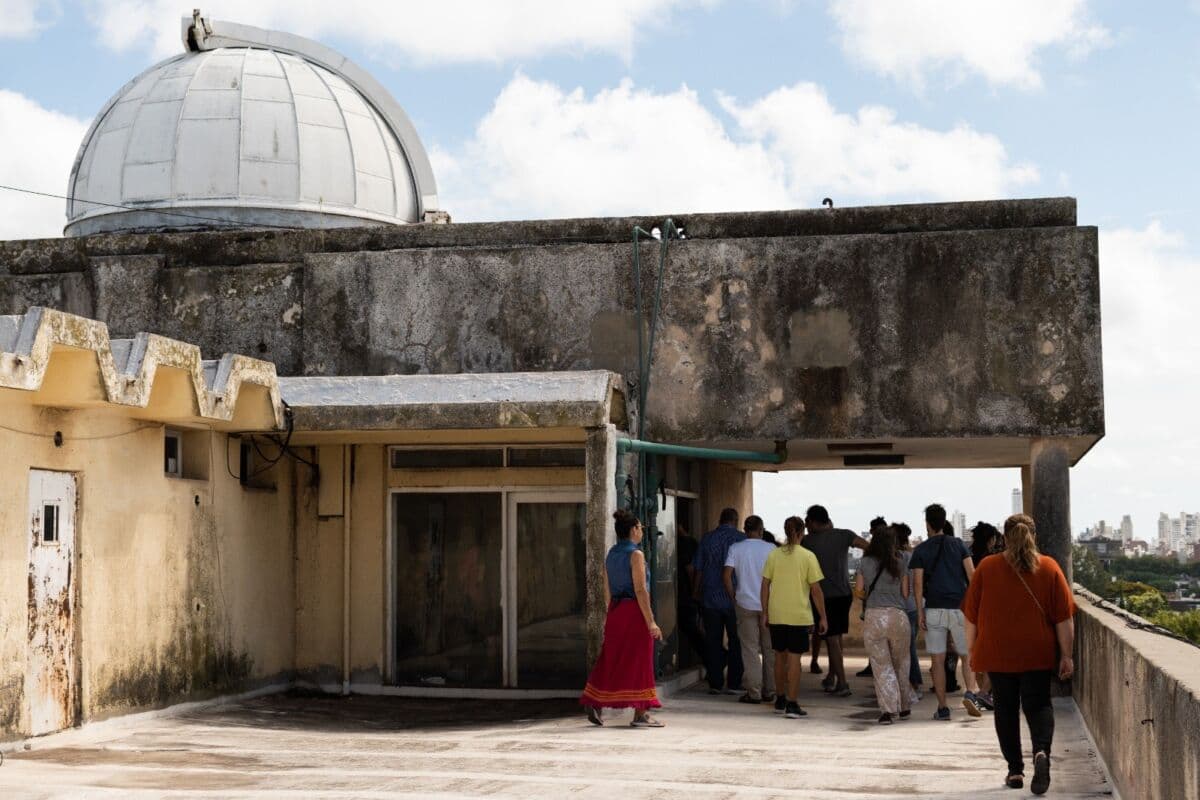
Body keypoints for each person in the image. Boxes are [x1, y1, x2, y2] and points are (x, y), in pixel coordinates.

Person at [963, 514, 1076, 794]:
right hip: (1037, 650)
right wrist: (1067, 655)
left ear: (1004, 537)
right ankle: (1041, 752)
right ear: (1033, 536)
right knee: (1038, 705)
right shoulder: (1049, 567)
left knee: (1005, 708)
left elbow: (971, 618)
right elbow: (1064, 618)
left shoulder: (987, 567)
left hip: (999, 650)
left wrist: (972, 652)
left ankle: (1015, 770)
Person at [581, 509, 665, 727]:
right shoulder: (636, 554)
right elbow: (640, 589)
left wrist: (612, 613)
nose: (642, 532)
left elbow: (606, 588)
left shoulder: (612, 554)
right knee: (640, 661)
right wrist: (651, 621)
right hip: (634, 612)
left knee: (611, 659)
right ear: (633, 530)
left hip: (616, 612)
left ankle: (594, 700)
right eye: (640, 528)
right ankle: (641, 714)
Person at [910, 503, 980, 720]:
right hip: (960, 608)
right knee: (966, 653)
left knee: (937, 661)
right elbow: (972, 576)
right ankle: (970, 692)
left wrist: (921, 612)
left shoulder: (921, 550)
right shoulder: (958, 544)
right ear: (944, 521)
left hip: (933, 609)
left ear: (928, 524)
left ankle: (942, 708)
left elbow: (918, 585)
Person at [762, 516, 827, 719]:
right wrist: (823, 616)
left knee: (779, 657)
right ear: (802, 533)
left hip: (777, 614)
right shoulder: (808, 557)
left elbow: (765, 585)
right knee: (794, 660)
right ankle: (792, 702)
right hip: (799, 615)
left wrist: (765, 611)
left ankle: (780, 698)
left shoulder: (774, 555)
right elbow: (816, 590)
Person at [801, 505, 869, 696]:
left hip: (824, 596)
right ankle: (832, 675)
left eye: (807, 522)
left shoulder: (807, 541)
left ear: (813, 522)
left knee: (831, 639)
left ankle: (843, 683)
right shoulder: (844, 535)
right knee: (836, 637)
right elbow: (868, 546)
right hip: (844, 594)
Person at [854, 527, 911, 724]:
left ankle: (888, 711)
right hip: (899, 617)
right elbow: (905, 593)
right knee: (901, 663)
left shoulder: (865, 563)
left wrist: (870, 594)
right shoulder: (900, 562)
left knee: (881, 665)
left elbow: (859, 591)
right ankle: (904, 707)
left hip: (874, 617)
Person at [723, 515, 776, 704]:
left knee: (750, 649)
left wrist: (734, 596)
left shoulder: (736, 548)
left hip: (744, 603)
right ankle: (770, 691)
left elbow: (727, 575)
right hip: (768, 605)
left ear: (745, 530)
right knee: (769, 649)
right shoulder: (771, 549)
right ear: (761, 530)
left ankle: (754, 692)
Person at [692, 508, 745, 694]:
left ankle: (715, 683)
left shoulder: (707, 539)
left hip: (710, 598)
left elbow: (698, 568)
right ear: (736, 520)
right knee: (736, 641)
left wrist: (696, 591)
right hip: (734, 599)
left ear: (720, 519)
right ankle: (734, 683)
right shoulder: (742, 539)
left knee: (712, 641)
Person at [968, 521, 1004, 711]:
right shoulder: (992, 561)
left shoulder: (969, 557)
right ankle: (984, 693)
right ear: (991, 540)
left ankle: (984, 692)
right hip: (990, 611)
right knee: (993, 655)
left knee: (979, 654)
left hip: (971, 612)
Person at [891, 522, 924, 702]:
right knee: (909, 648)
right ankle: (912, 683)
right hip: (914, 606)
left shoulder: (897, 558)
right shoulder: (913, 556)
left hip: (902, 606)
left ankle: (914, 683)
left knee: (906, 649)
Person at [856, 516, 890, 679]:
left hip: (873, 606)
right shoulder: (896, 556)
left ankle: (875, 667)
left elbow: (859, 590)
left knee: (874, 641)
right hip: (894, 608)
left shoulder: (867, 556)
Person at [676, 522, 706, 667]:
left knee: (690, 627)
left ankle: (716, 657)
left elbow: (691, 570)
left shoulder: (686, 543)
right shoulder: (691, 542)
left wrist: (694, 591)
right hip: (688, 594)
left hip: (687, 595)